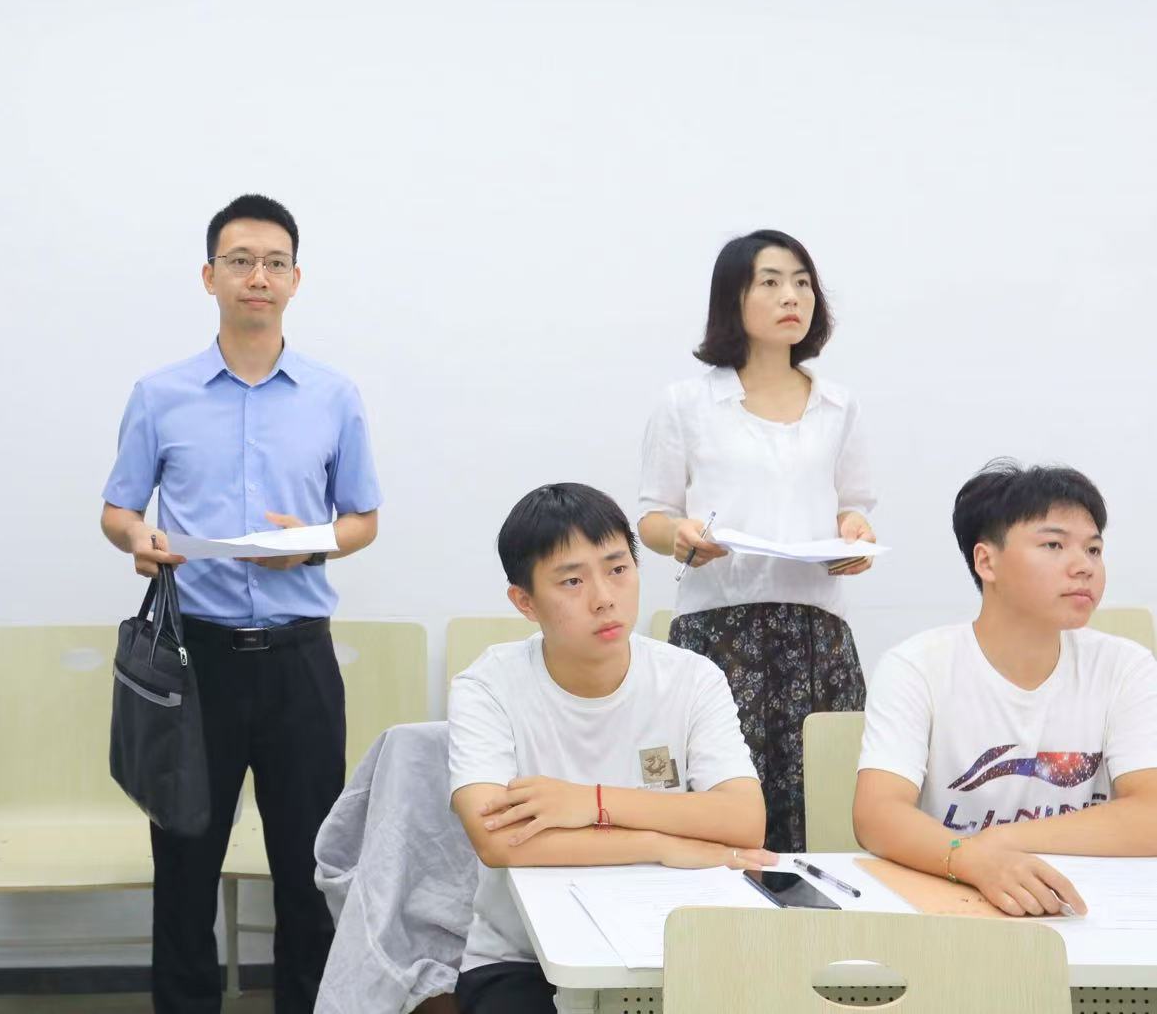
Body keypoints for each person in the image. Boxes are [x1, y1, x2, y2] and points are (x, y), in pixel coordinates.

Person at [100, 193, 382, 1014]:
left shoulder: (333, 395)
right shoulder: (160, 394)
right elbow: (117, 508)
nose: (257, 275)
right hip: (195, 664)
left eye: (273, 262)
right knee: (184, 868)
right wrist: (137, 537)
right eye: (239, 261)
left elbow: (363, 519)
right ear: (209, 276)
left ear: (294, 279)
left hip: (299, 660)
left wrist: (312, 543)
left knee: (309, 868)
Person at [449, 482, 770, 1013]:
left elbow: (744, 820)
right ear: (524, 602)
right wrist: (662, 844)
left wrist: (591, 803)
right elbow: (498, 842)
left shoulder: (692, 678)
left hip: (670, 945)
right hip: (522, 959)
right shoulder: (488, 686)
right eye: (572, 581)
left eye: (618, 569)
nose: (604, 597)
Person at [636, 228, 876, 852]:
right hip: (719, 630)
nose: (791, 296)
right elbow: (653, 517)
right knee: (720, 815)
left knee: (822, 814)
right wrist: (680, 536)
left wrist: (855, 534)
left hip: (817, 634)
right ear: (732, 298)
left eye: (802, 282)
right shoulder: (687, 403)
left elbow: (854, 509)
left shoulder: (839, 405)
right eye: (770, 282)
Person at [854, 460, 1157, 917]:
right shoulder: (916, 667)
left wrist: (997, 843)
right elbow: (877, 815)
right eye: (1054, 545)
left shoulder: (1125, 666)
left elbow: (1150, 814)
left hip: (1082, 906)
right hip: (953, 901)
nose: (1084, 567)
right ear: (986, 561)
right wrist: (972, 861)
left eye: (1094, 550)